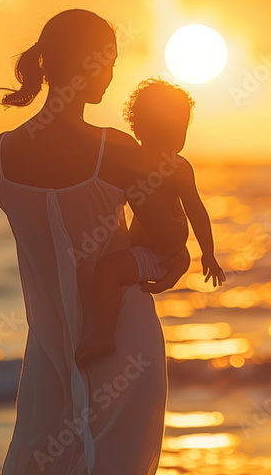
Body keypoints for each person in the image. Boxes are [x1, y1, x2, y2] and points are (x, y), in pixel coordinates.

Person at [0, 9, 185, 475]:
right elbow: (167, 238)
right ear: (89, 63)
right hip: (123, 346)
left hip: (50, 351)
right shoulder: (113, 149)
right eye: (109, 61)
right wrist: (176, 257)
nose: (112, 74)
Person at [75, 78, 226, 367]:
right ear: (140, 128)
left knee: (107, 271)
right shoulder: (132, 159)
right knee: (115, 259)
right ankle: (178, 262)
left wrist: (208, 252)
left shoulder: (177, 167)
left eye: (180, 129)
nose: (176, 138)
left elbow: (196, 210)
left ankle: (103, 336)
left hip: (159, 251)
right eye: (169, 129)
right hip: (153, 248)